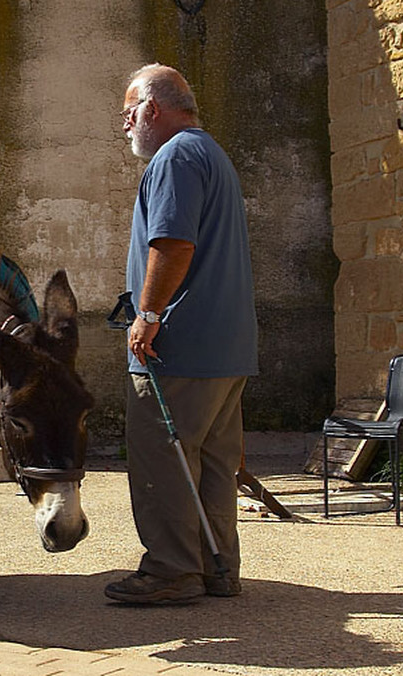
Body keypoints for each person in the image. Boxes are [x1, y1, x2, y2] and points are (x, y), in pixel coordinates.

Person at [104, 64, 258, 604]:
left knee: (162, 459)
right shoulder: (210, 153)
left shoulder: (174, 157)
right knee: (214, 465)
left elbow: (171, 243)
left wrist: (147, 315)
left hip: (179, 346)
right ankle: (219, 567)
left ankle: (171, 571)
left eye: (128, 112)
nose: (124, 124)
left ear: (152, 108)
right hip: (227, 345)